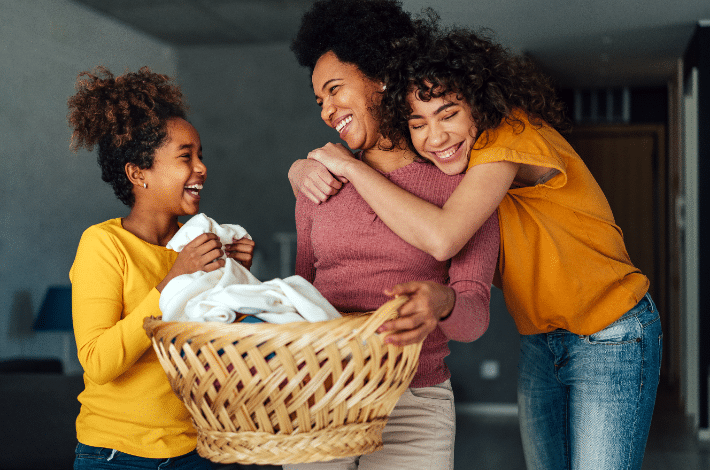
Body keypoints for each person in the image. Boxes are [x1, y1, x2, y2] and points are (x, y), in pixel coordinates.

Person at [292, 20, 662, 470]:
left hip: (610, 328)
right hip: (544, 337)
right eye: (419, 122)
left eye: (449, 113)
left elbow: (444, 236)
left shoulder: (506, 137)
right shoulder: (450, 162)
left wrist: (348, 168)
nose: (436, 136)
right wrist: (309, 166)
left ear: (480, 104)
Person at [286, 1, 499, 469]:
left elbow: (474, 317)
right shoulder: (318, 182)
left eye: (334, 90)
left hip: (416, 404)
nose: (326, 110)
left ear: (381, 77)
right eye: (319, 100)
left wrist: (442, 303)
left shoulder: (462, 189)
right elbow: (298, 296)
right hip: (319, 394)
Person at [67, 67, 254, 469]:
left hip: (196, 450)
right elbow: (99, 363)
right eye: (186, 157)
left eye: (200, 155)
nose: (201, 167)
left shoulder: (199, 244)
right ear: (138, 173)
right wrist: (173, 281)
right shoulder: (103, 245)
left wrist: (237, 283)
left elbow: (215, 354)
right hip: (116, 456)